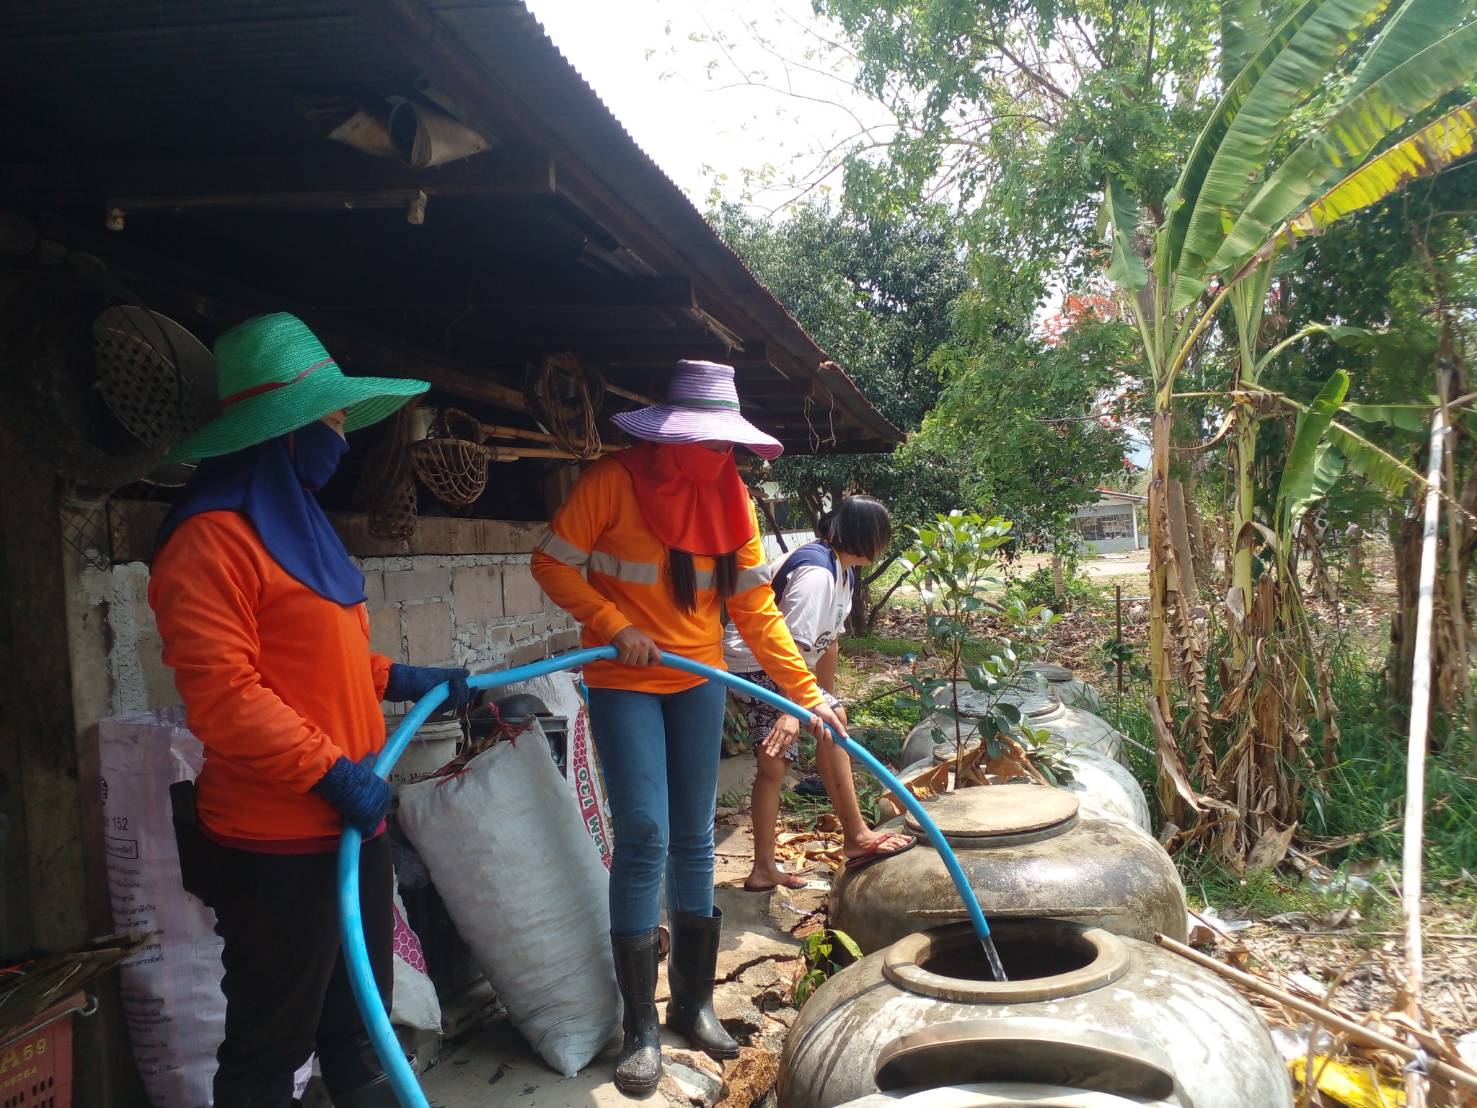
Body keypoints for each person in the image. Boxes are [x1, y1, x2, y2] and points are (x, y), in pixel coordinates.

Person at [149, 313, 473, 1108]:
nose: (341, 437)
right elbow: (225, 697)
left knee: (361, 1027)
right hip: (275, 841)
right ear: (282, 430)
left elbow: (319, 660)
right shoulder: (209, 541)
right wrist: (330, 773)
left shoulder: (301, 527)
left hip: (351, 825)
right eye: (329, 421)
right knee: (270, 1048)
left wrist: (397, 677)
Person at [531, 360, 848, 1095]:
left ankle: (693, 1005)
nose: (717, 456)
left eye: (725, 444)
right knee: (644, 833)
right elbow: (550, 563)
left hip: (700, 680)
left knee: (695, 834)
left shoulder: (731, 497)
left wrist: (807, 692)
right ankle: (639, 1026)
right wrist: (613, 624)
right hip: (624, 679)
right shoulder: (611, 482)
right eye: (706, 442)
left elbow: (754, 608)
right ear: (670, 435)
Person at [723, 497, 915, 892]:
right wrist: (792, 711)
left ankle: (764, 869)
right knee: (792, 749)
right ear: (867, 535)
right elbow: (790, 647)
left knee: (794, 748)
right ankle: (856, 837)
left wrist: (825, 696)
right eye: (882, 536)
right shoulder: (817, 574)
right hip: (752, 663)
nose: (884, 545)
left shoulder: (843, 572)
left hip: (778, 668)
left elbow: (828, 645)